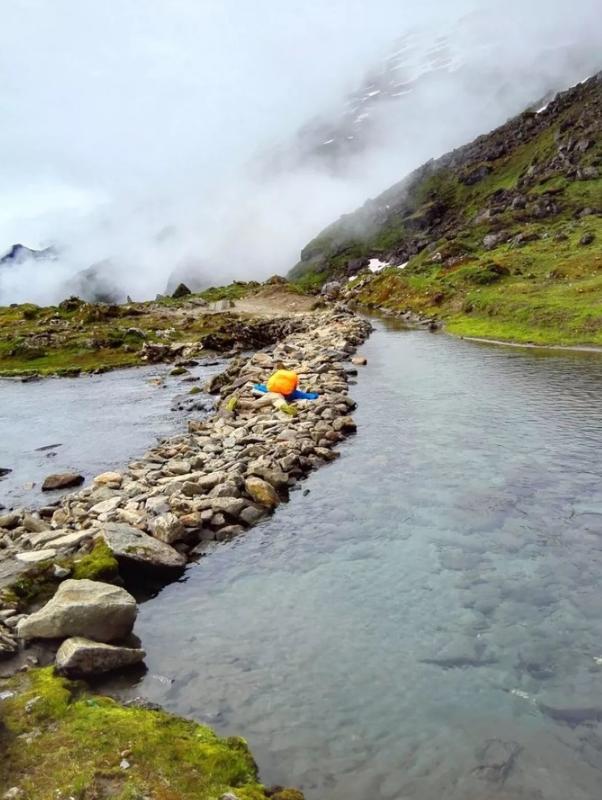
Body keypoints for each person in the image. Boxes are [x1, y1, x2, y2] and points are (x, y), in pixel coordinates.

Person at [254, 366, 319, 401]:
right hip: (286, 392)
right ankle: (314, 396)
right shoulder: (294, 375)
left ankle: (257, 386)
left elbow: (271, 380)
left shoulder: (279, 372)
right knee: (298, 394)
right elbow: (294, 388)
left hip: (271, 388)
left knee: (267, 388)